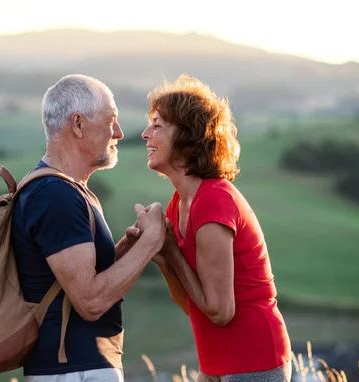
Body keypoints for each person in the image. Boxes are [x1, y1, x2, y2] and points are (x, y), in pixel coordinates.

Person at [11, 74, 166, 382]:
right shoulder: (56, 195)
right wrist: (151, 241)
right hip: (73, 371)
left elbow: (80, 280)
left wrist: (124, 250)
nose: (120, 133)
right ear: (78, 125)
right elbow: (90, 301)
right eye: (111, 121)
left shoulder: (65, 191)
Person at [141, 75, 292, 381]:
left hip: (253, 361)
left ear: (186, 135)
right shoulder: (178, 203)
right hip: (218, 363)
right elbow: (190, 304)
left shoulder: (213, 201)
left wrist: (171, 249)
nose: (146, 134)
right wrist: (164, 260)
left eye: (157, 125)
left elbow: (220, 312)